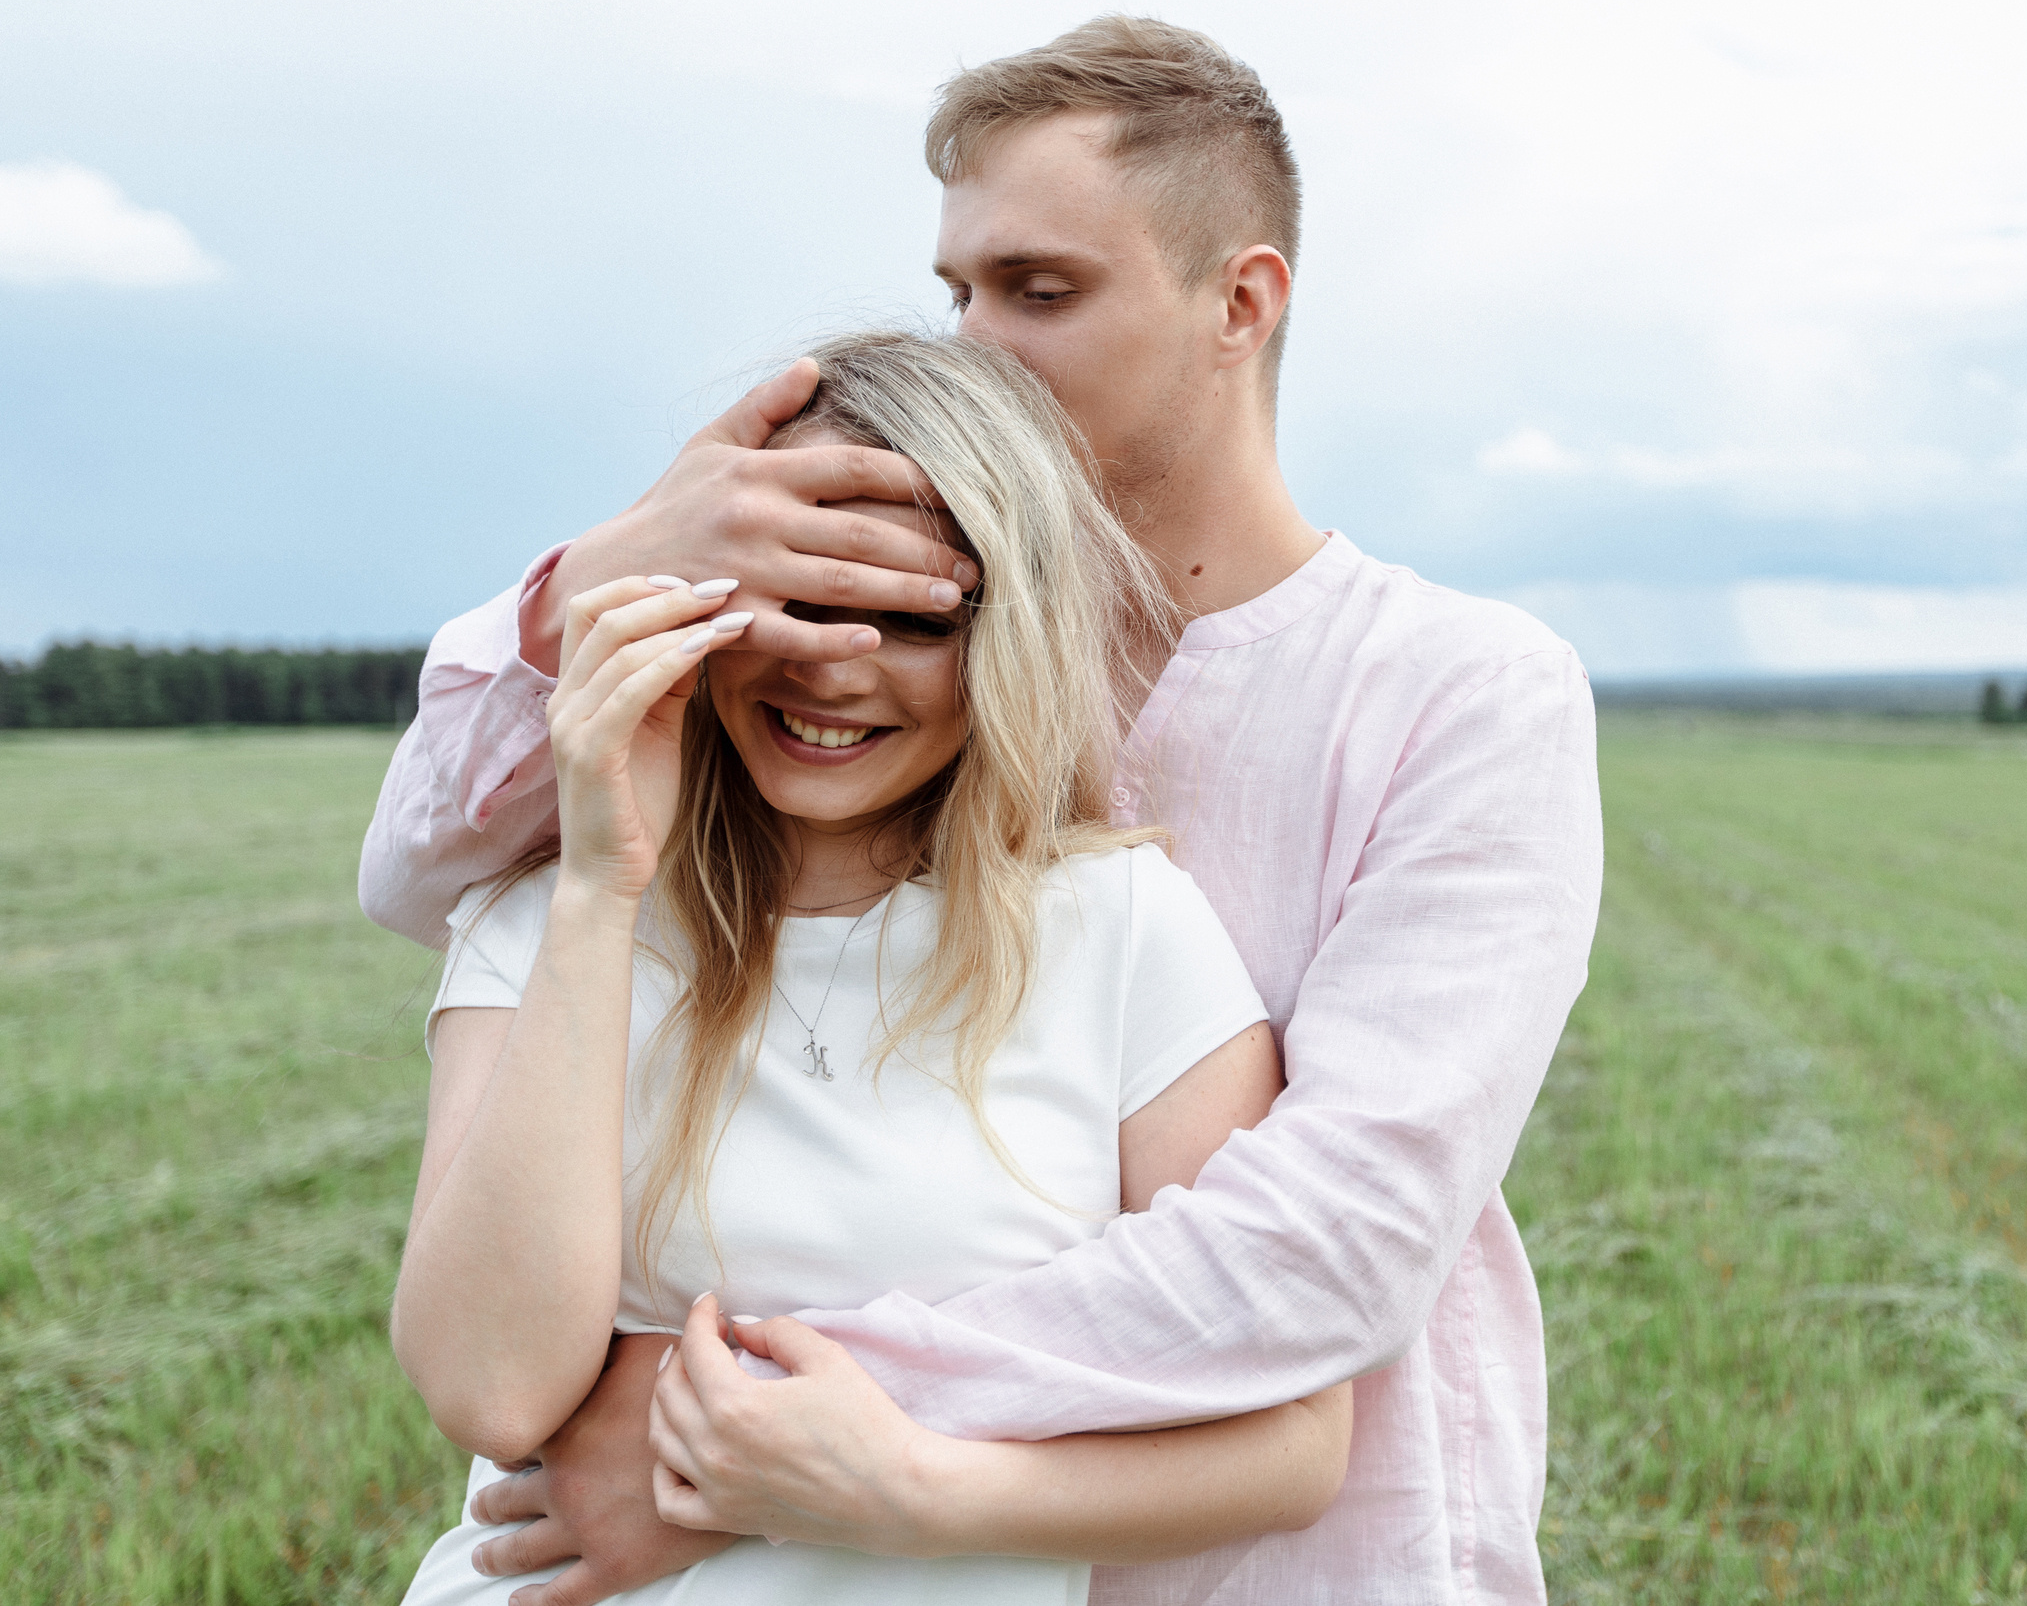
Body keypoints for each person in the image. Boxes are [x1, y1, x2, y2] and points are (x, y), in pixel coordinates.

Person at [362, 16, 1602, 1606]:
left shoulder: (1461, 691)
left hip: (1289, 1564)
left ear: (1243, 302)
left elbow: (1333, 1242)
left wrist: (731, 1434)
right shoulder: (872, 644)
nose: (975, 342)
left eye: (1040, 290)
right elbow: (420, 873)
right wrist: (610, 570)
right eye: (958, 291)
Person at [396, 329, 1354, 1604]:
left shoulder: (1124, 929)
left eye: (910, 618)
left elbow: (1291, 1445)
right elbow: (488, 1386)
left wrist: (889, 1488)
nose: (832, 661)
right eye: (792, 600)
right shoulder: (543, 916)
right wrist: (598, 888)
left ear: (1009, 635)